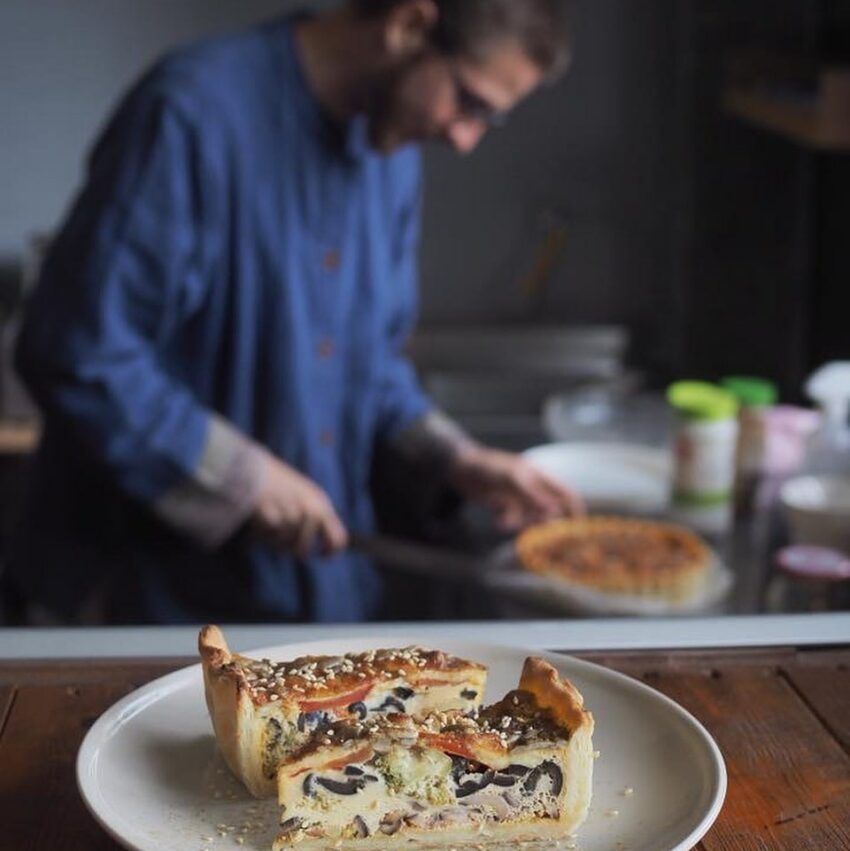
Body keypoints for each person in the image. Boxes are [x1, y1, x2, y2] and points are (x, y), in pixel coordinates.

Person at [7, 0, 580, 625]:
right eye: (470, 104)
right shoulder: (193, 112)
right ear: (409, 25)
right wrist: (244, 478)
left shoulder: (392, 152)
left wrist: (456, 458)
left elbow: (372, 364)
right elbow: (76, 351)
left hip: (320, 599)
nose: (465, 139)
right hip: (156, 605)